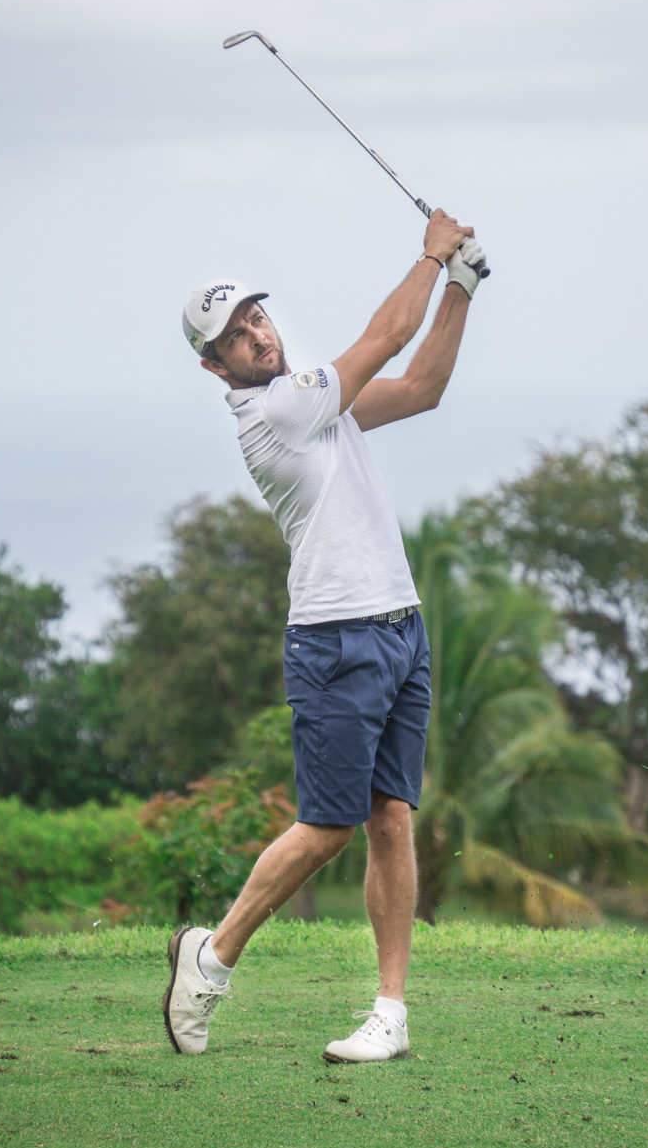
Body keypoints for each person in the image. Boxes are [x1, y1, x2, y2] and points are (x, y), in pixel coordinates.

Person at [164, 209, 486, 1063]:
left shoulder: (317, 403)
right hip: (334, 640)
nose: (256, 336)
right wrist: (431, 257)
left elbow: (420, 388)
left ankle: (389, 1012)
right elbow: (385, 339)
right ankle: (211, 959)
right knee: (329, 827)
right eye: (235, 337)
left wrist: (460, 285)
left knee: (391, 819)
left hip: (399, 625)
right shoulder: (279, 413)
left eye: (255, 317)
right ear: (214, 365)